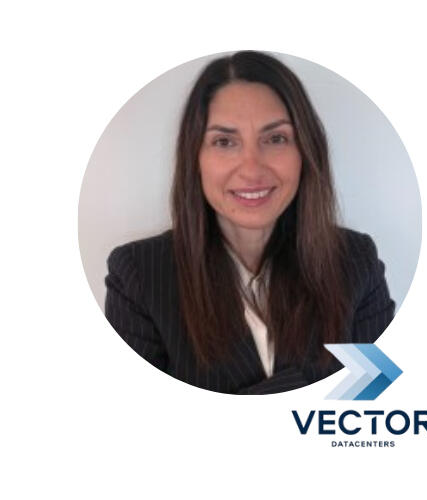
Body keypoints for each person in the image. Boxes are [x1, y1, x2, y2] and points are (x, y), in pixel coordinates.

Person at [104, 51, 395, 394]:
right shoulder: (138, 276)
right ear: (195, 158)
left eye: (276, 138)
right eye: (224, 142)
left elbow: (377, 401)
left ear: (306, 150)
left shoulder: (356, 261)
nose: (252, 169)